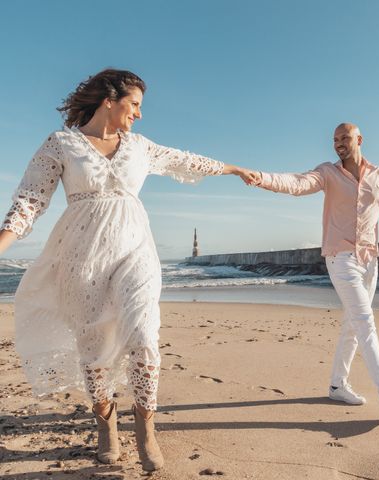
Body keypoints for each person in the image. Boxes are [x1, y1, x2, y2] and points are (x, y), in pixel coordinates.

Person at [0, 69, 257, 471]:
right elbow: (31, 200)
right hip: (81, 255)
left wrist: (234, 168)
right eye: (134, 104)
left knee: (144, 335)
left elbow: (186, 160)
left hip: (135, 248)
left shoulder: (140, 147)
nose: (138, 114)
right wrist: (2, 242)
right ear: (109, 99)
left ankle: (145, 429)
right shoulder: (62, 143)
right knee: (94, 347)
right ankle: (105, 424)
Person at [250, 123, 379, 419]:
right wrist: (262, 178)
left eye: (345, 138)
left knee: (353, 325)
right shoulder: (327, 172)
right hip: (340, 258)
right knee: (365, 322)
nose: (339, 143)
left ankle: (337, 385)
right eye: (335, 139)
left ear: (359, 139)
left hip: (369, 259)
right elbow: (298, 183)